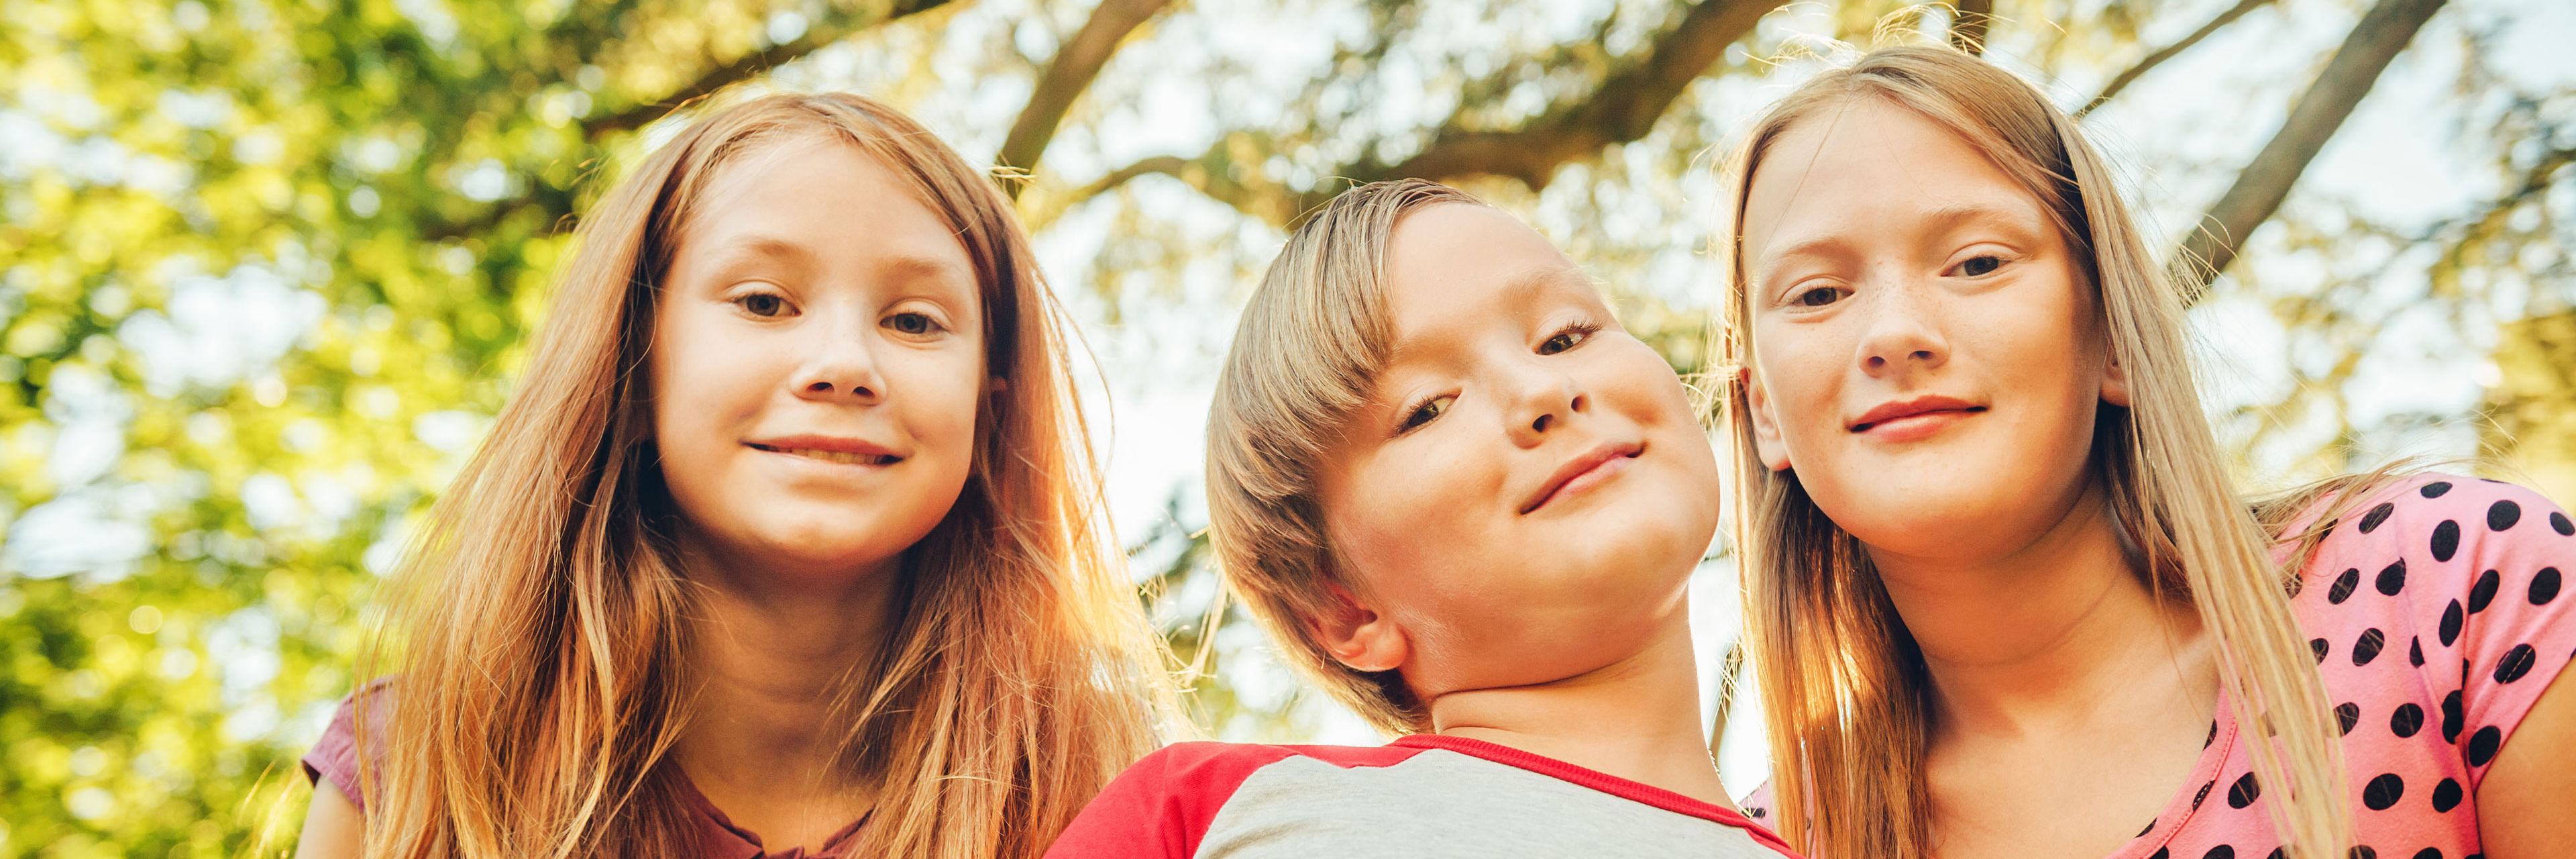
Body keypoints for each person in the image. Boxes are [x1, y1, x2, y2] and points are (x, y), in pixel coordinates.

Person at [1718, 46, 2576, 859]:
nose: (1895, 331)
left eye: (1977, 263)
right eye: (1819, 292)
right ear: (1764, 413)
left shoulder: (2455, 588)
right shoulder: (1767, 843)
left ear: (2116, 339)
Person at [290, 92, 1175, 859]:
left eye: (912, 321)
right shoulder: (419, 766)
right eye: (763, 302)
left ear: (989, 416)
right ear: (632, 373)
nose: (843, 363)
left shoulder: (1106, 792)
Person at [1045, 179, 1799, 858]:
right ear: (1340, 605)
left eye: (1565, 334)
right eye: (1427, 409)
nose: (1542, 387)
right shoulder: (1213, 814)